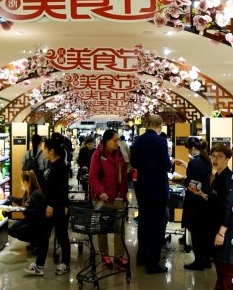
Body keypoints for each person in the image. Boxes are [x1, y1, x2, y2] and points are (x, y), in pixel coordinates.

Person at [196, 144, 233, 290]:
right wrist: (202, 195)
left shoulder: (229, 179)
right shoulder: (217, 176)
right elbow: (216, 201)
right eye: (213, 155)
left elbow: (228, 208)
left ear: (227, 159)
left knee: (227, 267)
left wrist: (222, 232)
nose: (215, 159)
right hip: (216, 227)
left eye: (220, 156)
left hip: (226, 230)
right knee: (220, 265)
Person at [130, 114, 172, 274]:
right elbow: (166, 165)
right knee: (157, 225)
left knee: (144, 222)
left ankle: (141, 256)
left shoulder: (138, 141)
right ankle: (153, 263)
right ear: (160, 126)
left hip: (142, 187)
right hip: (158, 189)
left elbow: (133, 162)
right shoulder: (161, 141)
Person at [89, 129, 129, 269]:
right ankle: (104, 255)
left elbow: (123, 176)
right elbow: (93, 177)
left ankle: (119, 256)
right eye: (115, 140)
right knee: (103, 229)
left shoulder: (120, 153)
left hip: (118, 198)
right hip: (103, 199)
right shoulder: (97, 155)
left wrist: (124, 194)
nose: (117, 143)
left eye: (118, 140)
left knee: (119, 228)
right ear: (106, 141)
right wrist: (101, 192)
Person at [174, 136, 212, 270]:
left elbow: (190, 182)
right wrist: (186, 164)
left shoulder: (194, 162)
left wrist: (181, 180)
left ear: (193, 148)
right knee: (203, 232)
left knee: (195, 232)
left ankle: (198, 262)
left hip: (194, 201)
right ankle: (206, 260)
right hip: (204, 199)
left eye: (188, 149)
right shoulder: (206, 160)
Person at [38, 132, 72, 275]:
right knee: (44, 234)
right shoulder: (51, 164)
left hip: (58, 207)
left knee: (61, 235)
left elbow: (59, 190)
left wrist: (51, 206)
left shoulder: (60, 167)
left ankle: (66, 263)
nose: (43, 151)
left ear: (51, 151)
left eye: (45, 149)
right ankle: (39, 265)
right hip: (51, 205)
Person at [7, 171, 50, 276]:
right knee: (13, 229)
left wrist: (21, 210)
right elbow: (23, 202)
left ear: (26, 182)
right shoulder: (30, 192)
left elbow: (37, 213)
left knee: (16, 230)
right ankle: (38, 264)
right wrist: (11, 198)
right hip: (35, 222)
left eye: (22, 181)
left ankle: (39, 267)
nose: (21, 184)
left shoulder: (37, 194)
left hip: (40, 224)